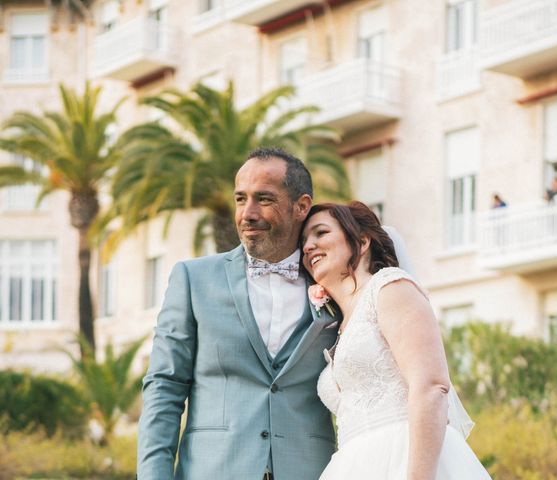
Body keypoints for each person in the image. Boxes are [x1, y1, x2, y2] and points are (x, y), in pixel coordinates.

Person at [137, 147, 339, 480]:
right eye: (240, 199)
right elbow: (165, 385)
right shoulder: (193, 279)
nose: (247, 213)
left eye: (264, 199)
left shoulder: (334, 284)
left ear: (302, 206)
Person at [301, 201, 491, 480]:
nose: (308, 246)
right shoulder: (338, 327)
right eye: (304, 240)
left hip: (406, 457)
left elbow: (431, 386)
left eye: (320, 233)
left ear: (362, 241)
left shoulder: (390, 288)